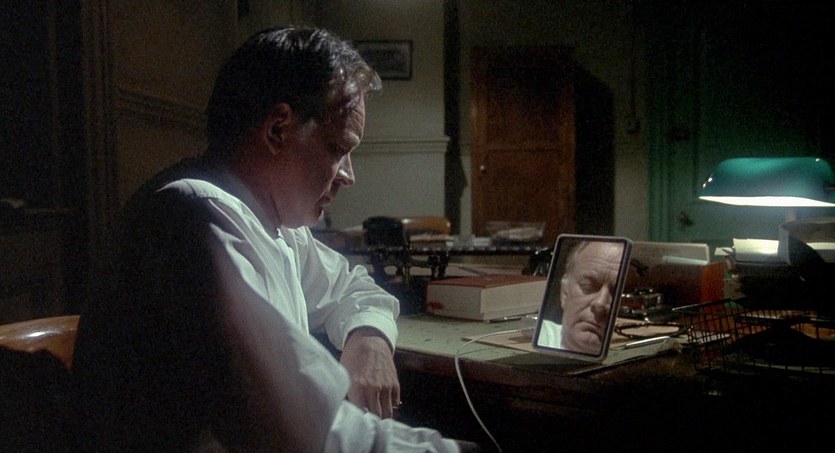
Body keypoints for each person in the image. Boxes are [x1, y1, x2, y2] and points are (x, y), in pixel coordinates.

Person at [71, 26, 478, 452]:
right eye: (339, 148)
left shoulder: (272, 223)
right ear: (278, 130)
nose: (349, 176)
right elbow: (304, 436)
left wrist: (368, 337)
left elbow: (354, 287)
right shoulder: (196, 218)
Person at [536, 241, 624, 354]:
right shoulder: (539, 337)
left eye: (617, 294)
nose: (600, 303)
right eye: (587, 287)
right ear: (565, 293)